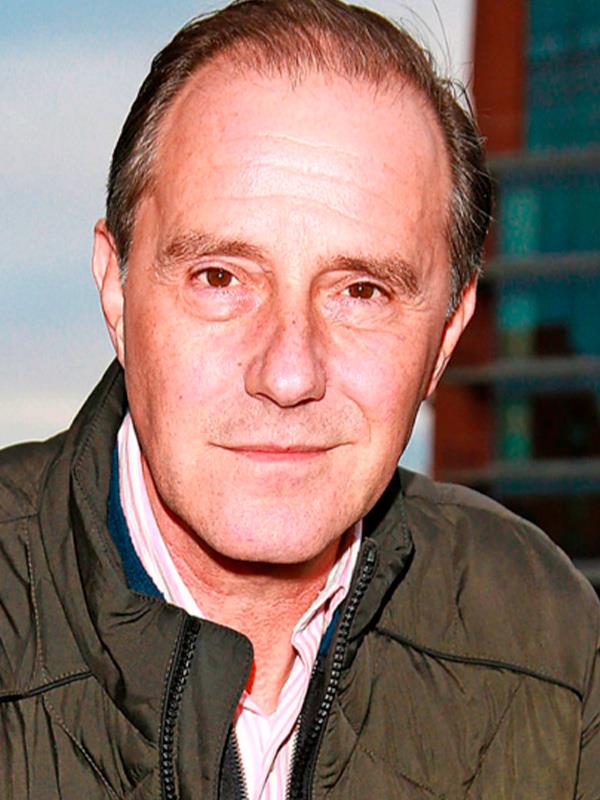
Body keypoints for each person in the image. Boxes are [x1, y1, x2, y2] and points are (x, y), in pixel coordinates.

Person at [1, 0, 598, 797]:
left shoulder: (543, 631)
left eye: (362, 292)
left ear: (446, 338)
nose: (288, 374)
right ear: (116, 290)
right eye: (220, 277)